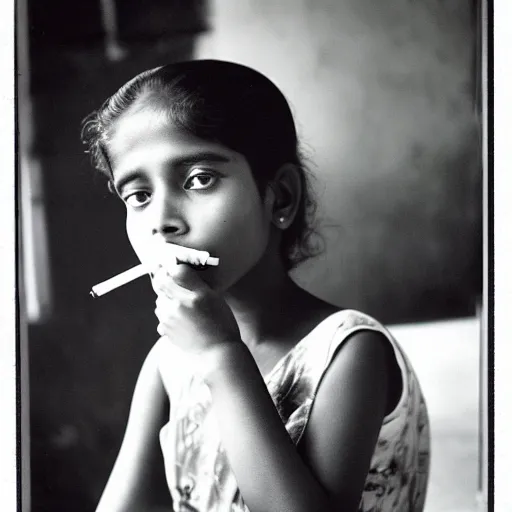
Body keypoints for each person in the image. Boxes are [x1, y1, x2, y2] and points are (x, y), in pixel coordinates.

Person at [82, 60, 430, 512]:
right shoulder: (169, 362)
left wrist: (220, 355)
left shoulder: (348, 353)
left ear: (279, 196)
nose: (161, 224)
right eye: (139, 196)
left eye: (199, 180)